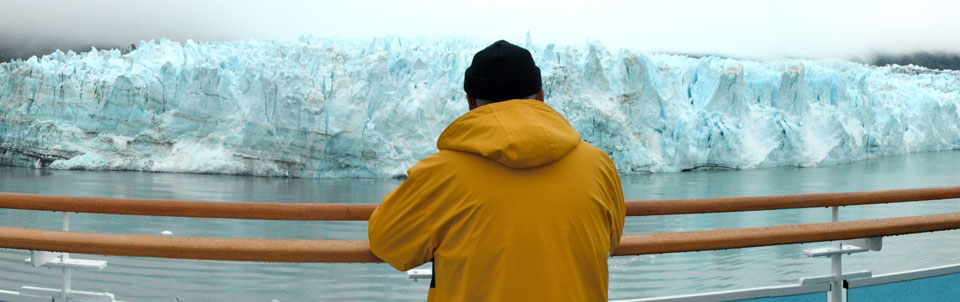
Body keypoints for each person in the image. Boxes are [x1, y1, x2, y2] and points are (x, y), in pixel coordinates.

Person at [368, 40, 626, 301]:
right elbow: (611, 240)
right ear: (540, 95)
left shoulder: (437, 176)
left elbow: (387, 242)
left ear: (470, 101)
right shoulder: (599, 165)